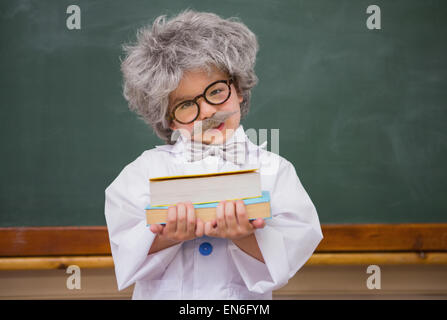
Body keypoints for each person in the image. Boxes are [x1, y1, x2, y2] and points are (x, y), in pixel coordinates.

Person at [105, 9, 323, 300]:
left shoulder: (275, 170)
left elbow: (292, 249)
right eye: (185, 105)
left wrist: (244, 235)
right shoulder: (142, 173)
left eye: (216, 91)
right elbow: (126, 246)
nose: (207, 111)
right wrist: (169, 235)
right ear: (168, 120)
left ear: (239, 90)